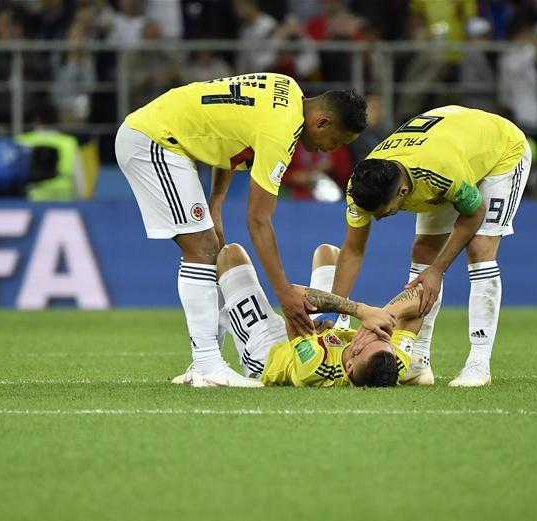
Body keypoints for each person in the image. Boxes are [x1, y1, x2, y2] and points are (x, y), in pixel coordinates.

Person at [116, 73, 367, 387]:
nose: (330, 150)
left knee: (209, 246)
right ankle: (208, 366)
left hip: (161, 134)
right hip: (155, 140)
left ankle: (204, 365)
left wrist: (217, 201)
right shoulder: (281, 132)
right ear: (323, 122)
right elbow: (258, 222)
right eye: (337, 141)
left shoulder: (286, 88)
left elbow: (229, 135)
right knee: (204, 249)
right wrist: (285, 296)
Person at [331, 105, 531, 388]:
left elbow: (474, 213)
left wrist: (438, 270)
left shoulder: (439, 171)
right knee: (423, 251)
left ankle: (479, 363)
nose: (377, 218)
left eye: (383, 212)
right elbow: (353, 250)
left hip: (501, 151)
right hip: (448, 146)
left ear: (402, 192)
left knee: (480, 248)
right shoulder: (362, 185)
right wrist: (340, 315)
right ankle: (417, 361)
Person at [176, 243, 419, 388]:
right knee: (329, 253)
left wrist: (362, 311)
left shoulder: (315, 366)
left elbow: (292, 300)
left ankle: (205, 360)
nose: (369, 333)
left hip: (271, 353)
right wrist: (385, 316)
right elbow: (419, 301)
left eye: (367, 340)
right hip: (322, 336)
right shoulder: (391, 361)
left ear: (350, 364)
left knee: (230, 254)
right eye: (381, 336)